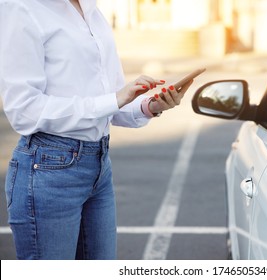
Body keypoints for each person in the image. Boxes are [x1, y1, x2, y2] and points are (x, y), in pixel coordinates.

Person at [0, 0, 193, 259]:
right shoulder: (21, 7)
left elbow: (110, 101)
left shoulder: (91, 9)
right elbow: (24, 110)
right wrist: (113, 100)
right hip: (48, 171)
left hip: (99, 166)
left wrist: (149, 106)